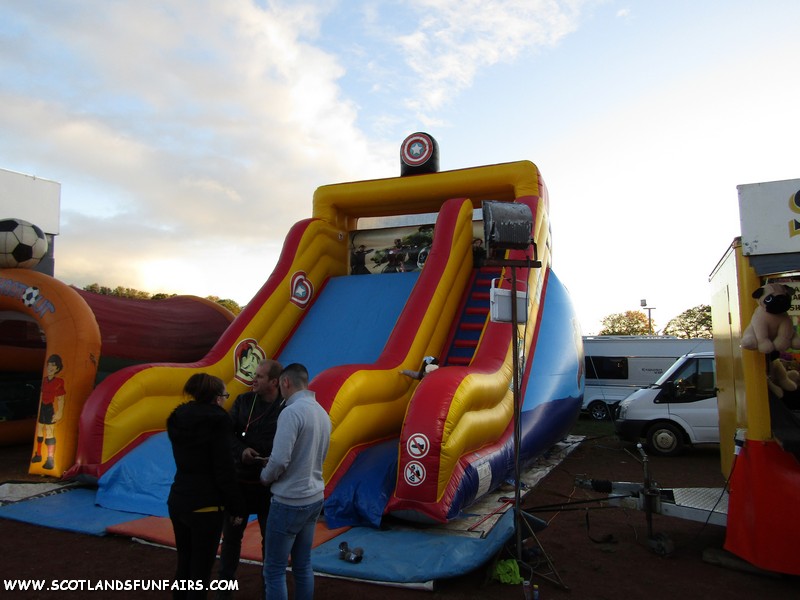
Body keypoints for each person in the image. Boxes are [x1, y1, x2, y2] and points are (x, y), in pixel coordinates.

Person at [167, 373, 246, 600]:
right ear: (215, 398)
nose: (224, 400)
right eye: (224, 395)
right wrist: (237, 506)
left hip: (179, 499)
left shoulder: (177, 418)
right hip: (206, 505)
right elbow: (224, 470)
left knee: (184, 564)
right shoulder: (218, 423)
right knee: (200, 572)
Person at [260, 363, 331, 600]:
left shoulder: (291, 412)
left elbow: (280, 460)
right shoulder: (322, 412)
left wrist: (265, 476)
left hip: (289, 500)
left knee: (274, 569)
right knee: (303, 565)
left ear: (285, 383)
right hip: (314, 496)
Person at [216, 359, 284, 596]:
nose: (253, 379)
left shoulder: (285, 408)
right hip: (240, 486)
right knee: (231, 540)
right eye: (254, 375)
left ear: (274, 382)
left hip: (269, 488)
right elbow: (226, 434)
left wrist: (273, 458)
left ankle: (270, 591)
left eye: (260, 377)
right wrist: (241, 450)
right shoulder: (244, 401)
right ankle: (223, 592)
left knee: (271, 544)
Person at [31, 354, 66, 470]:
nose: (50, 368)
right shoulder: (45, 380)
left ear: (57, 368)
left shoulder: (59, 381)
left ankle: (50, 458)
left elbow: (61, 397)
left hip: (49, 407)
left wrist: (60, 411)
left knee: (50, 430)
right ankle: (39, 454)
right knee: (40, 429)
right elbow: (41, 394)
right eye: (49, 365)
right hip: (43, 407)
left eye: (53, 366)